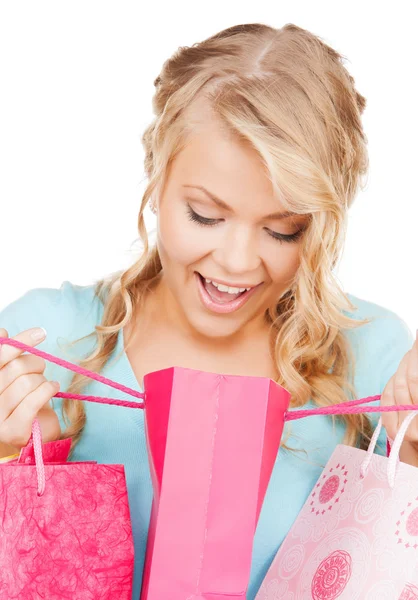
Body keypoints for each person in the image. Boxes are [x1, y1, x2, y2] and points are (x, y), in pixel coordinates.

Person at [1, 22, 417, 600]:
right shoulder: (46, 341)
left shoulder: (372, 355)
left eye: (282, 230)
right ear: (157, 172)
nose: (238, 260)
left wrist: (412, 452)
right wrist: (11, 459)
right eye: (204, 215)